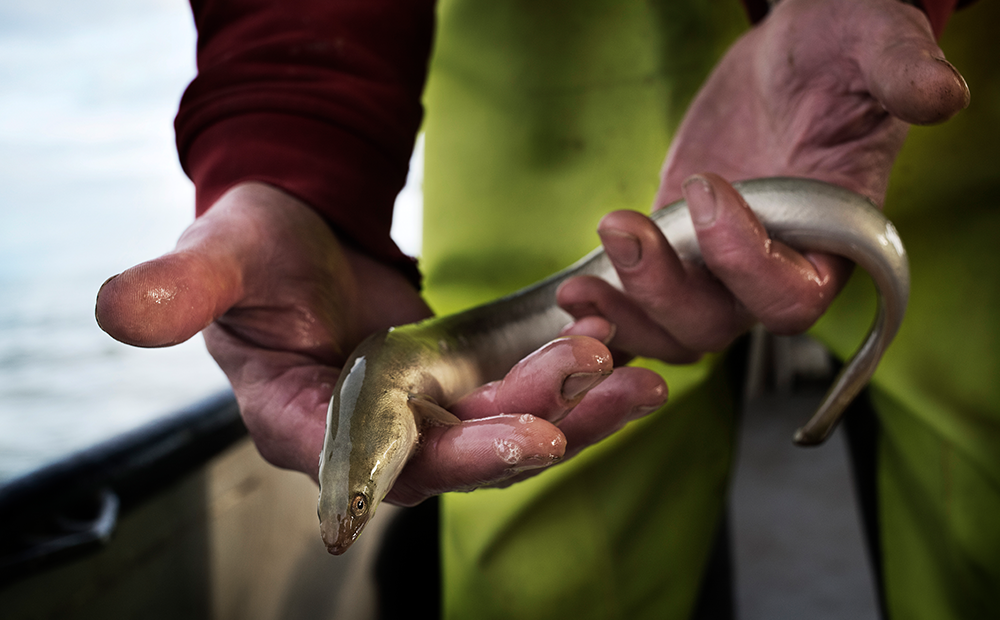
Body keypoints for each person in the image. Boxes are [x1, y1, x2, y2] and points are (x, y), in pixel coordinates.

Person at [95, 0, 996, 617]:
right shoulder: (381, 410)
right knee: (544, 552)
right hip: (533, 58)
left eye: (359, 492)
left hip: (928, 40)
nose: (353, 515)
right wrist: (297, 159)